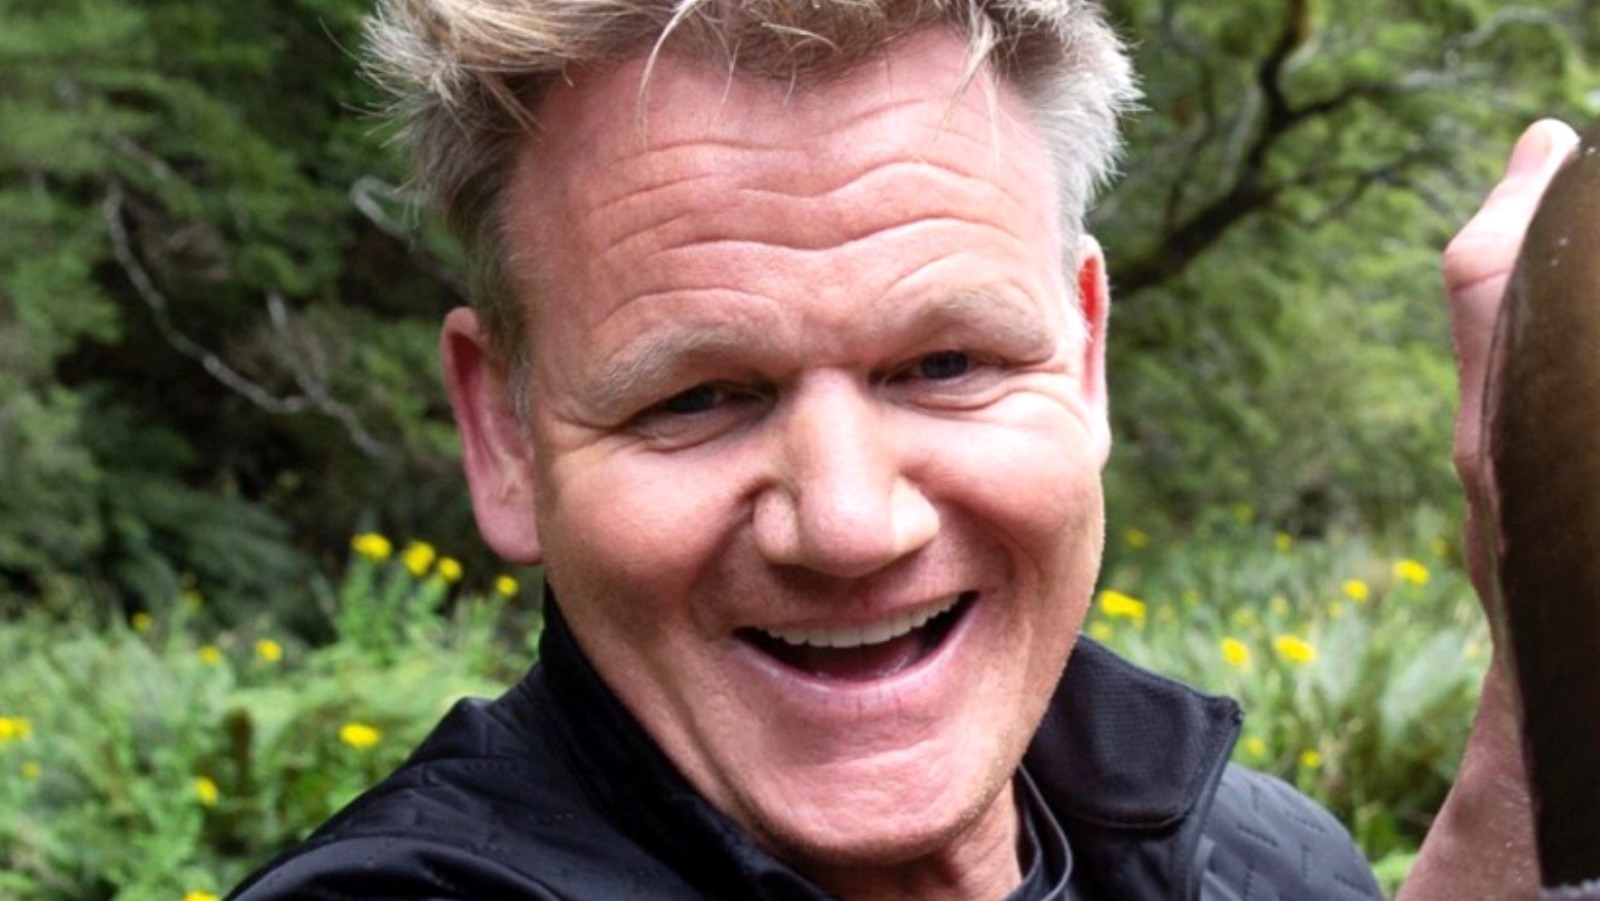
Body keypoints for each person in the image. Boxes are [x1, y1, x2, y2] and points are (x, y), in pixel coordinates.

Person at [229, 0, 1570, 897]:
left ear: (1084, 356)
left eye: (946, 365)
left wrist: (1552, 674)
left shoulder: (1265, 859)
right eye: (698, 395)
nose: (850, 524)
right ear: (504, 436)